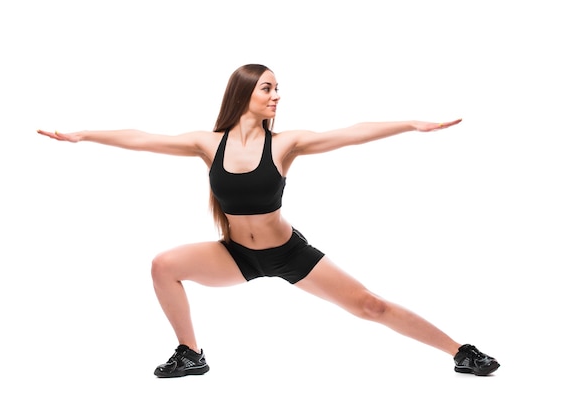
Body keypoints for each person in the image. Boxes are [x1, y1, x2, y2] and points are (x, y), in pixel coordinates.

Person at [37, 63, 500, 378]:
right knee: (163, 265)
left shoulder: (284, 144)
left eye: (278, 89)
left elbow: (349, 133)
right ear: (244, 93)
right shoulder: (207, 143)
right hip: (235, 256)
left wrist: (409, 125)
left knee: (369, 306)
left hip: (287, 253)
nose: (276, 96)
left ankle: (461, 353)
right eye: (268, 88)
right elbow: (142, 138)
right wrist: (84, 136)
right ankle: (191, 354)